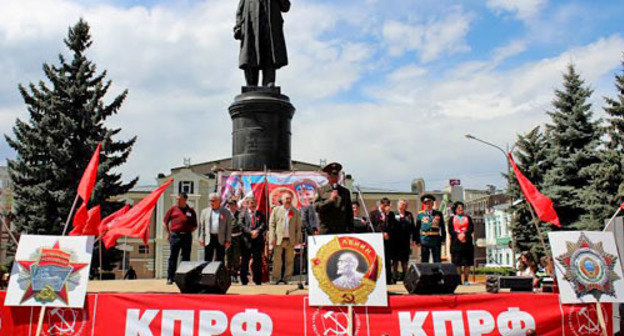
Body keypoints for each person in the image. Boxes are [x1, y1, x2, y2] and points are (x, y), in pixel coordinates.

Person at [234, 0, 290, 87]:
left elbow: (286, 7)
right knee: (250, 54)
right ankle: (251, 84)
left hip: (269, 27)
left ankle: (268, 81)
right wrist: (238, 26)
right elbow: (240, 10)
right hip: (251, 26)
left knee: (270, 53)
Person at [163, 192, 198, 285]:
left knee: (186, 257)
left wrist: (187, 232)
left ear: (185, 200)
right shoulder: (172, 209)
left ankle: (184, 278)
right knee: (173, 257)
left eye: (179, 199)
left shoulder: (191, 211)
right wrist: (168, 233)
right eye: (177, 199)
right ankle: (170, 277)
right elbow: (165, 222)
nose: (177, 200)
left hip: (187, 236)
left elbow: (195, 225)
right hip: (175, 236)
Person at [269, 193, 302, 284]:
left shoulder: (295, 211)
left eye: (290, 198)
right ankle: (275, 279)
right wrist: (272, 238)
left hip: (290, 240)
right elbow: (272, 225)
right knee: (277, 260)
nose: (288, 200)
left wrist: (297, 240)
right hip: (279, 239)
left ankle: (287, 279)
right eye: (286, 198)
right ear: (282, 200)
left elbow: (298, 227)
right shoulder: (276, 210)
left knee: (290, 260)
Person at [314, 162, 353, 234]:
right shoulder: (321, 190)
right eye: (333, 175)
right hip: (326, 229)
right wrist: (330, 200)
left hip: (341, 229)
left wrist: (350, 229)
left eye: (337, 174)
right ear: (328, 176)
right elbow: (316, 207)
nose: (335, 177)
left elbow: (349, 212)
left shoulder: (345, 192)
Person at [238, 197, 266, 285]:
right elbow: (241, 225)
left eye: (254, 203)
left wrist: (257, 231)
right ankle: (244, 280)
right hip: (246, 241)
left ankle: (257, 280)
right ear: (247, 204)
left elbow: (263, 224)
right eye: (251, 203)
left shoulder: (260, 214)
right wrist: (250, 232)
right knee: (245, 261)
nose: (253, 205)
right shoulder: (242, 214)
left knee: (257, 261)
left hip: (257, 241)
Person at [199, 193, 233, 263]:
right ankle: (207, 273)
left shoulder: (226, 212)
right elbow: (202, 227)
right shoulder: (204, 211)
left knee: (220, 259)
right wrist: (201, 238)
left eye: (213, 201)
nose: (211, 202)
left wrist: (228, 240)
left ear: (219, 201)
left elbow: (228, 228)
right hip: (209, 238)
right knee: (207, 259)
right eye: (210, 201)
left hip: (220, 238)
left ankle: (220, 273)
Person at [369, 197, 397, 284]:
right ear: (380, 204)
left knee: (388, 260)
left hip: (388, 240)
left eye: (388, 205)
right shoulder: (373, 213)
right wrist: (381, 233)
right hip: (377, 239)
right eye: (385, 205)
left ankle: (388, 279)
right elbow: (372, 226)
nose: (386, 207)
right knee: (377, 260)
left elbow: (393, 226)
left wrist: (387, 215)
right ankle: (376, 279)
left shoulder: (391, 214)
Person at [448, 201, 474, 285]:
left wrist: (464, 234)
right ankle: (458, 280)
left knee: (467, 263)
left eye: (462, 207)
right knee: (457, 263)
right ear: (455, 210)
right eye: (459, 208)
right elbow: (450, 230)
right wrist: (457, 235)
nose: (461, 209)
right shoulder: (452, 219)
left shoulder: (468, 218)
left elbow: (471, 228)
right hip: (456, 243)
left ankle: (466, 279)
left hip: (467, 243)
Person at [415, 194, 446, 263]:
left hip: (436, 239)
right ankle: (425, 273)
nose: (428, 205)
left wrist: (443, 238)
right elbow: (417, 228)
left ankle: (437, 273)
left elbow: (442, 227)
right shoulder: (420, 215)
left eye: (430, 203)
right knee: (425, 260)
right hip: (424, 239)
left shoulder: (438, 213)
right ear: (424, 204)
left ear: (432, 204)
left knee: (437, 259)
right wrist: (417, 240)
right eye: (426, 203)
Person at [391, 199, 415, 282]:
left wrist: (413, 239)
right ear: (398, 205)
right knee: (395, 260)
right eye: (401, 204)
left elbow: (412, 227)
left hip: (405, 241)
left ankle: (405, 277)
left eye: (404, 204)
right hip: (395, 241)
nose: (403, 205)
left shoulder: (409, 215)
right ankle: (394, 276)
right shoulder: (393, 214)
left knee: (405, 260)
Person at [300, 195, 319, 276]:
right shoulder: (306, 209)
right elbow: (304, 221)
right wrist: (312, 231)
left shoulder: (322, 208)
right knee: (310, 256)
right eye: (310, 199)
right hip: (311, 235)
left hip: (322, 235)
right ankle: (309, 276)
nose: (312, 201)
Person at [226, 198, 242, 283]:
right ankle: (228, 275)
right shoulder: (226, 214)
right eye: (230, 205)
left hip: (237, 238)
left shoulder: (240, 214)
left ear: (236, 205)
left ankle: (235, 275)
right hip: (228, 238)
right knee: (228, 257)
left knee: (236, 257)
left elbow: (241, 225)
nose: (231, 206)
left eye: (233, 205)